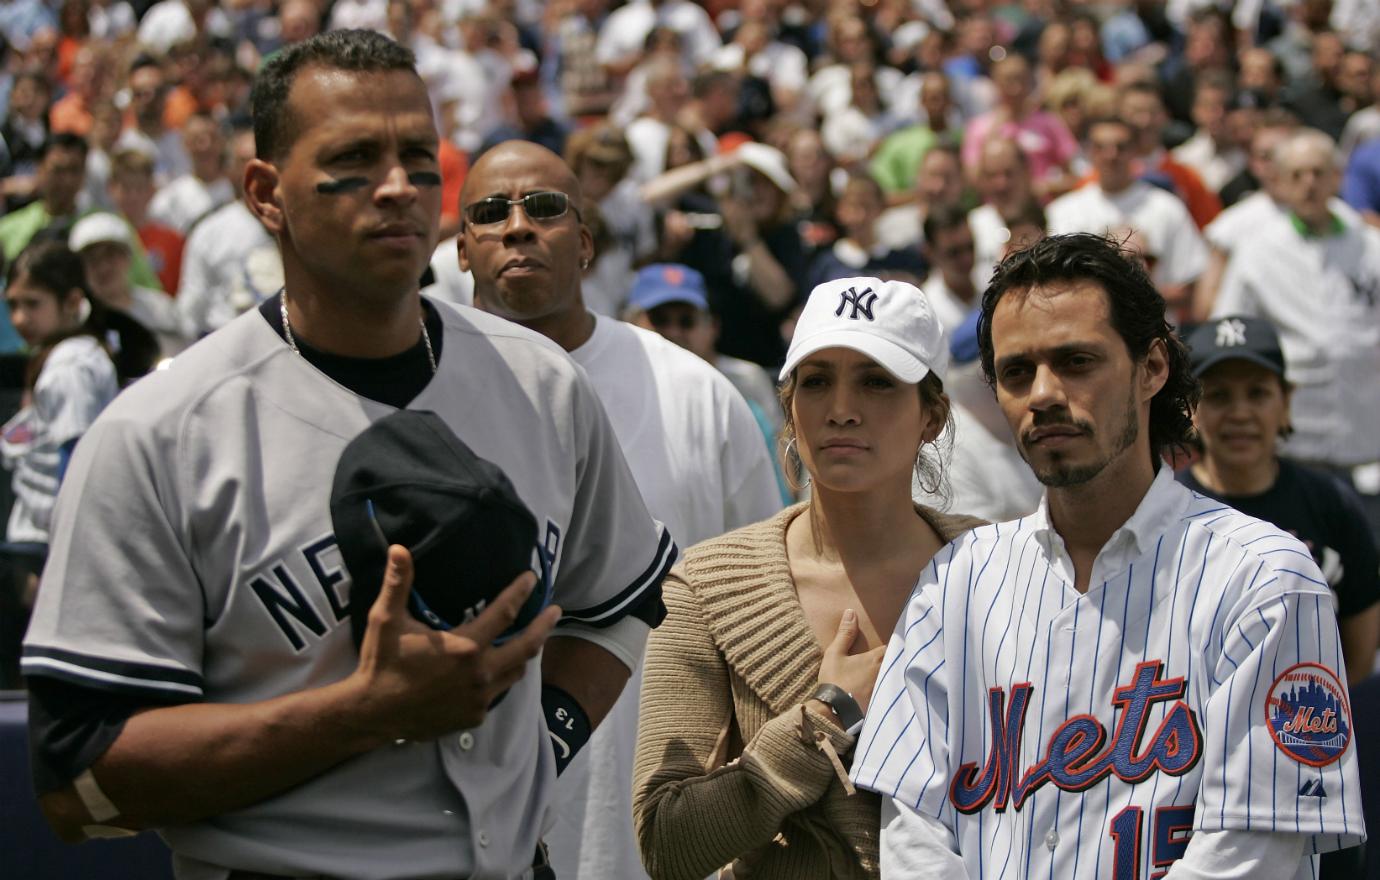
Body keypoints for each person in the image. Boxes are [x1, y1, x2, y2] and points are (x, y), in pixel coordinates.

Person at [21, 30, 675, 880]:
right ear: (266, 192)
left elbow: (623, 600)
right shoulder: (161, 433)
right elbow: (76, 782)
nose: (399, 186)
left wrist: (545, 742)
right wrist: (359, 715)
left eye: (417, 154)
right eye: (356, 158)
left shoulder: (540, 383)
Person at [853, 233, 1366, 878]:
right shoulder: (956, 577)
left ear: (1152, 368)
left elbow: (1254, 850)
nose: (1042, 393)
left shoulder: (1265, 575)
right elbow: (910, 830)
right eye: (1017, 372)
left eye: (1076, 361)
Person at [459, 139, 782, 880]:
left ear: (585, 241)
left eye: (544, 208)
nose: (517, 226)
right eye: (489, 212)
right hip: (474, 832)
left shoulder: (696, 396)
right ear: (461, 248)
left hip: (667, 827)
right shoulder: (417, 408)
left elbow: (763, 621)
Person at [633, 276, 984, 879]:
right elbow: (666, 843)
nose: (841, 410)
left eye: (876, 381)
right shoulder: (707, 588)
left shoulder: (1000, 571)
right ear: (789, 408)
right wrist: (822, 718)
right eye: (816, 381)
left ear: (932, 414)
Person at [1178, 315, 1379, 684]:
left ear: (1285, 401)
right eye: (1219, 395)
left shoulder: (1332, 505)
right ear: (1191, 408)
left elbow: (1360, 659)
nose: (1240, 414)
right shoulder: (1166, 512)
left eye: (1258, 393)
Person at [1212, 128, 1380, 508]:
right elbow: (1231, 327)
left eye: (1319, 172)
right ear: (1281, 183)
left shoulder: (1370, 246)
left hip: (1368, 426)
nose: (1309, 184)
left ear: (1337, 178)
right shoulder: (1258, 252)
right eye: (1298, 175)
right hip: (1296, 431)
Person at [68, 211, 187, 356]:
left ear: (127, 258)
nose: (103, 267)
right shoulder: (77, 321)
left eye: (111, 255)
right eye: (92, 260)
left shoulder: (159, 307)